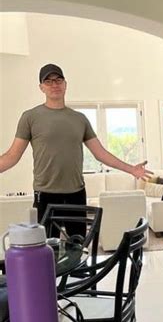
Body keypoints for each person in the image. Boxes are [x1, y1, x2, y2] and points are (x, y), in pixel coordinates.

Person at [0, 63, 152, 236]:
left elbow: (100, 153)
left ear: (65, 84)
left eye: (58, 80)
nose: (54, 84)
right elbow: (12, 155)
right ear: (41, 87)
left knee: (78, 247)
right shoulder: (30, 117)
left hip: (76, 194)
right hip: (45, 195)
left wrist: (131, 169)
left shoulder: (80, 119)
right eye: (48, 81)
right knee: (48, 250)